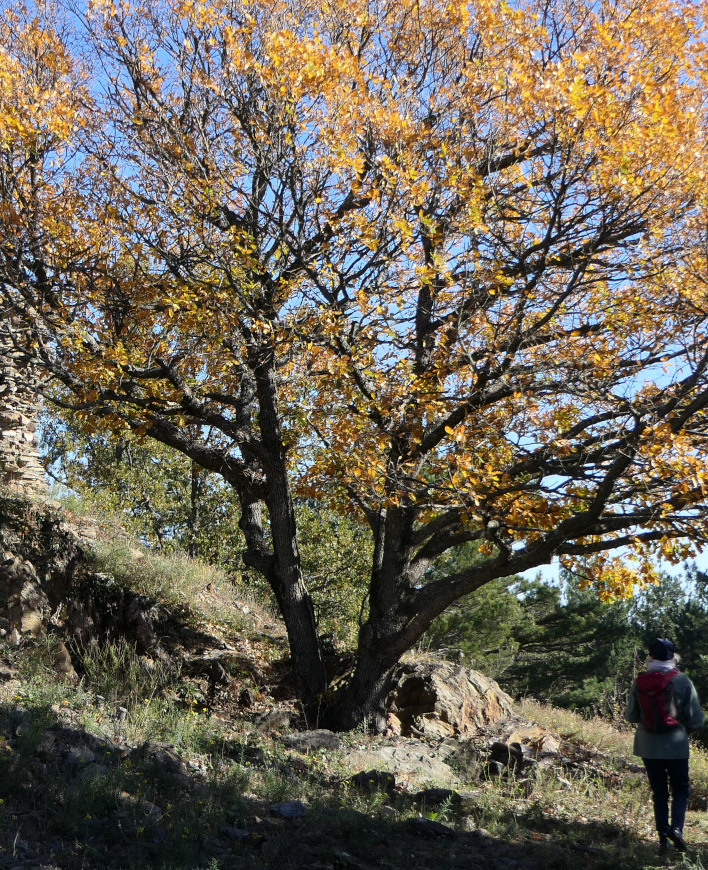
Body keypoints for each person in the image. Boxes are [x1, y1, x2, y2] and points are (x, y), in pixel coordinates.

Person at [625, 638, 705, 852]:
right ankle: (677, 829)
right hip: (676, 745)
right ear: (673, 657)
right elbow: (697, 719)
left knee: (659, 791)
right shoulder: (682, 680)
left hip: (648, 746)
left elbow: (631, 715)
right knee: (680, 788)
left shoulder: (640, 680)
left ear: (650, 656)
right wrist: (683, 729)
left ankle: (662, 840)